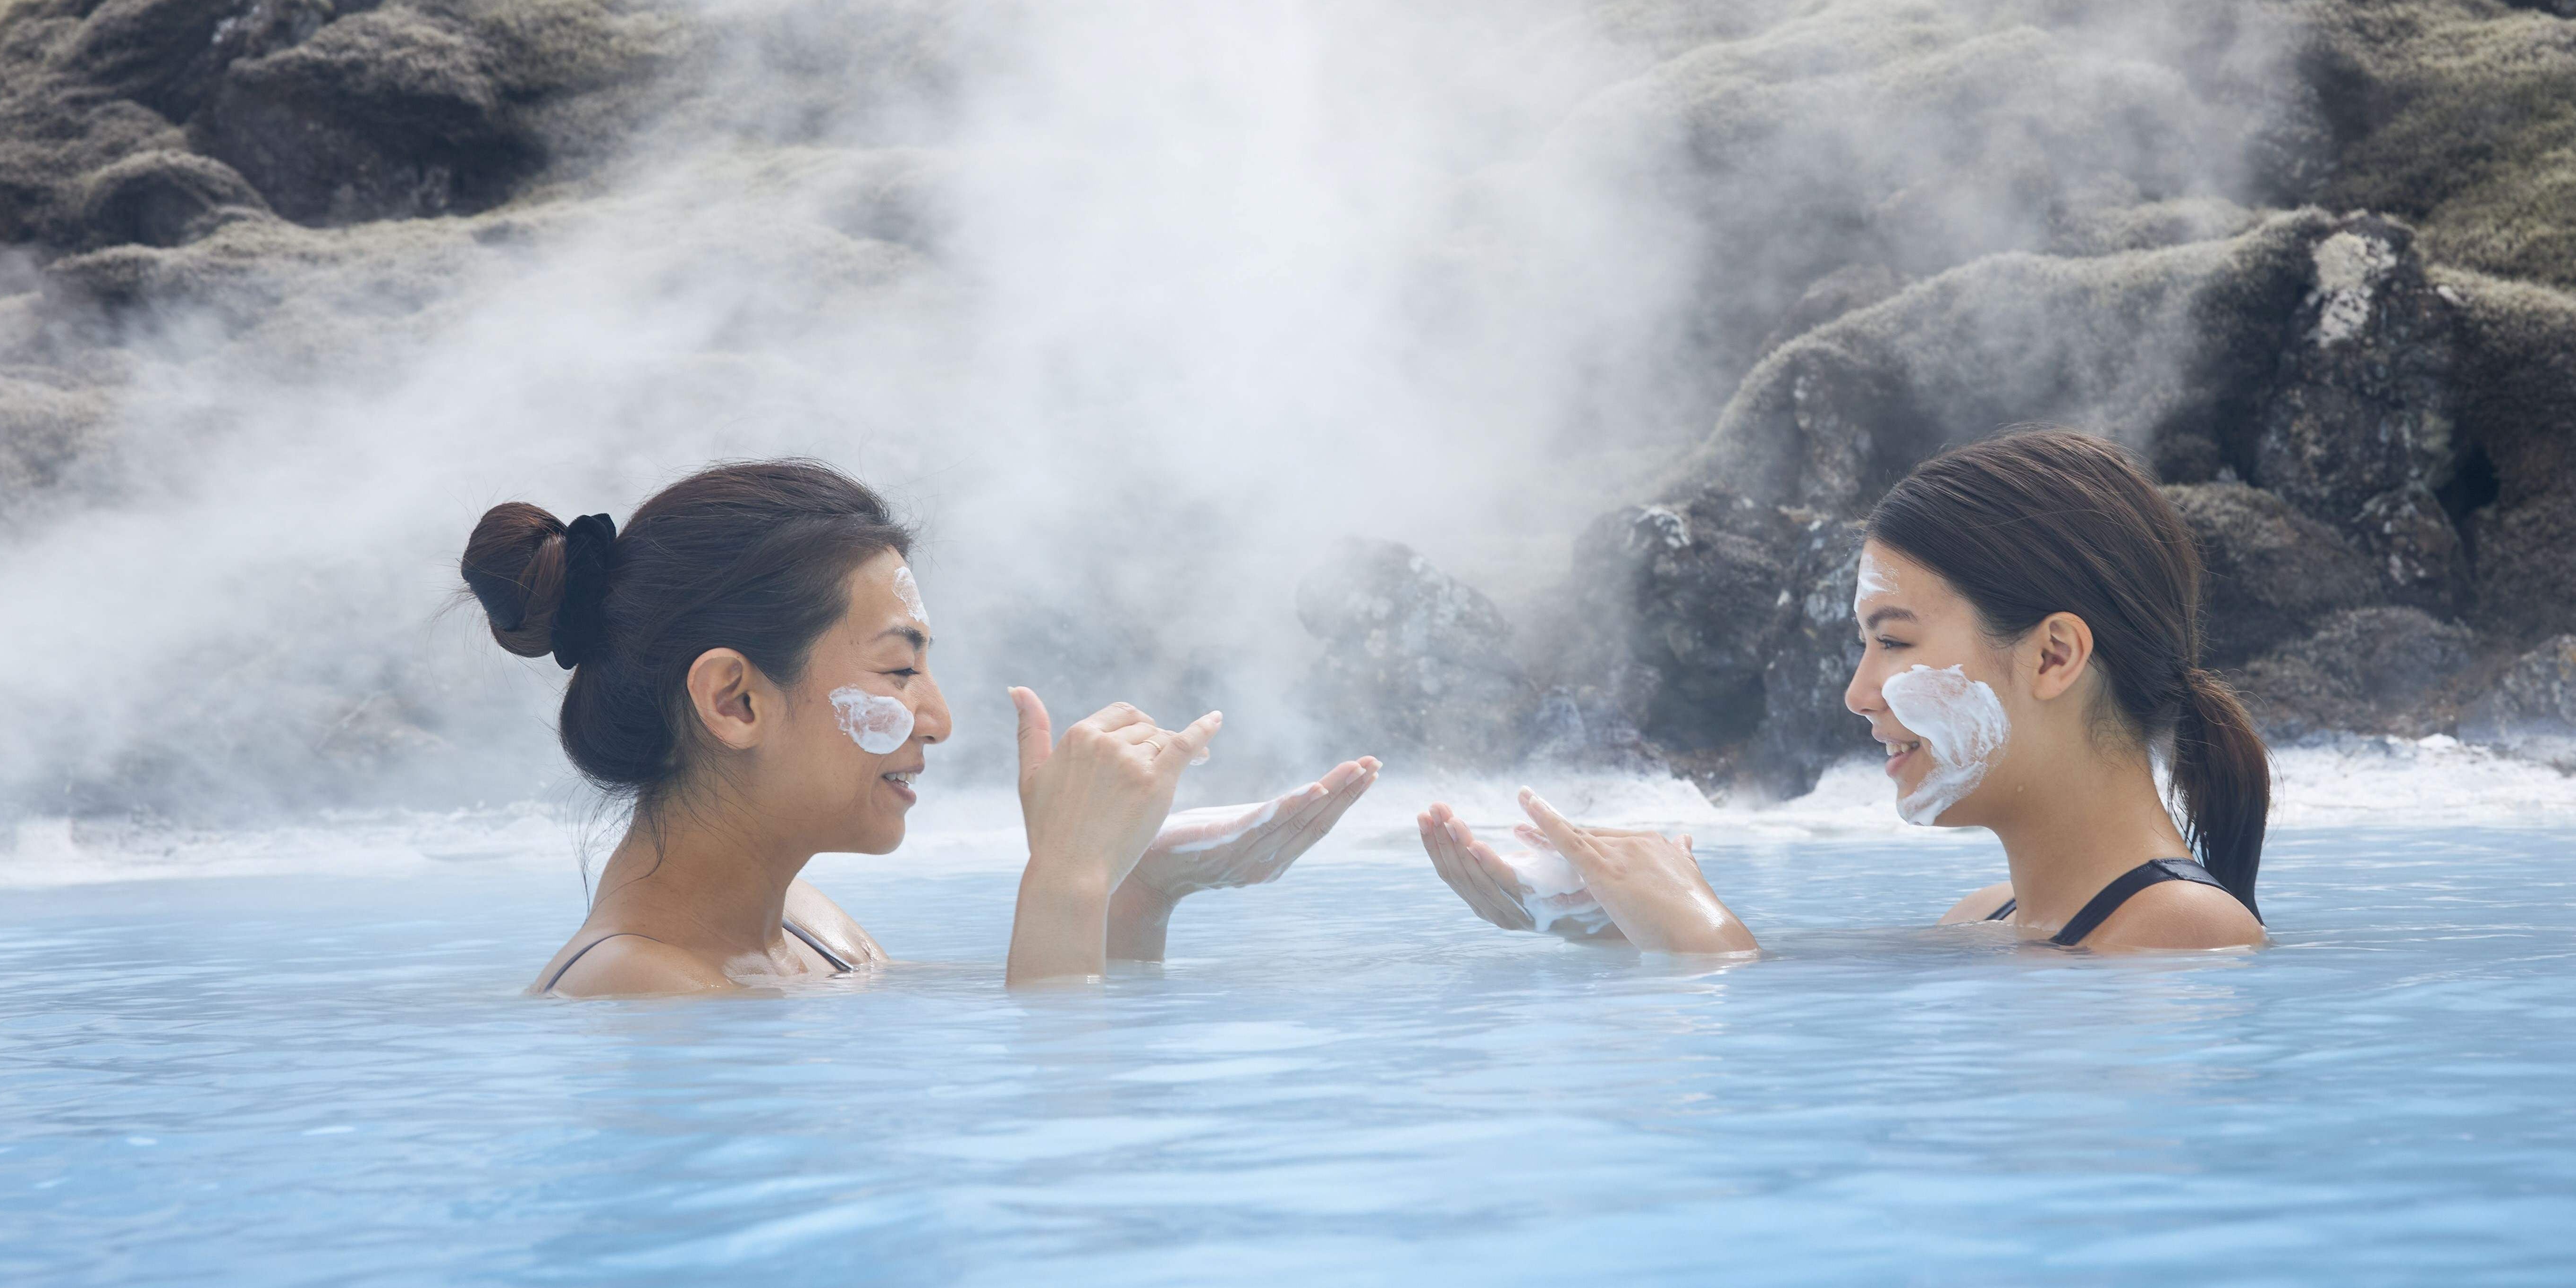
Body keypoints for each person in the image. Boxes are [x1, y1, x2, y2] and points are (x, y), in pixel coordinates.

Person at [461, 460, 1375, 996]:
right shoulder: (631, 988)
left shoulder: (810, 934)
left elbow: (1056, 1063)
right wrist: (1063, 879)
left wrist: (1132, 890)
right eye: (899, 670)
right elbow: (1047, 1160)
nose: (936, 719)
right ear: (735, 700)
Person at [1418, 428, 2268, 956]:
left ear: (2053, 658)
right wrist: (1611, 925)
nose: (1860, 693)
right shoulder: (1982, 921)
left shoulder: (2186, 928)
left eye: (1893, 641)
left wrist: (1706, 944)